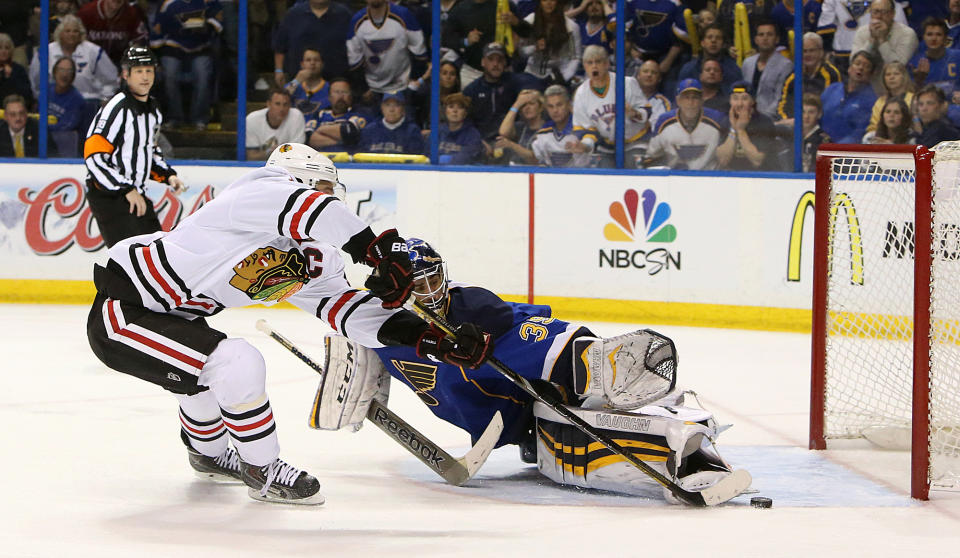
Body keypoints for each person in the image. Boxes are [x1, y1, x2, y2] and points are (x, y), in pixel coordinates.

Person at [84, 143, 494, 505]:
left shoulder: (310, 256)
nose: (334, 199)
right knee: (236, 362)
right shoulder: (257, 191)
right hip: (125, 311)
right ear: (303, 179)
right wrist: (379, 250)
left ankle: (207, 453)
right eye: (327, 188)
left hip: (177, 318)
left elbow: (346, 310)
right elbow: (314, 210)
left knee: (204, 369)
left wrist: (429, 339)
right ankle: (263, 470)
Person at [317, 237, 742, 502]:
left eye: (433, 279)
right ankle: (660, 453)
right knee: (560, 449)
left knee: (578, 401)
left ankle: (669, 434)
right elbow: (350, 371)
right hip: (515, 424)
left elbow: (525, 330)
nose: (430, 292)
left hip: (530, 391)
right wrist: (355, 387)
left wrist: (581, 358)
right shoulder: (378, 327)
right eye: (419, 283)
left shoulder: (470, 306)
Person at [83, 46, 183, 248]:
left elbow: (148, 150)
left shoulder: (153, 109)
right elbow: (93, 156)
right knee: (131, 258)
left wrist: (167, 175)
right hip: (110, 195)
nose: (145, 77)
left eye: (149, 71)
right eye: (138, 71)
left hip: (135, 193)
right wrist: (125, 189)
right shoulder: (116, 107)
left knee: (155, 252)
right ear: (126, 75)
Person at [571, 45, 649, 167]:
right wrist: (584, 145)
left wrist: (635, 113)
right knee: (602, 174)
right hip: (606, 146)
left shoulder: (627, 83)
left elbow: (647, 110)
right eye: (589, 63)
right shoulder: (581, 93)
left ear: (607, 64)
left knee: (633, 169)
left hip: (635, 141)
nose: (594, 66)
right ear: (584, 66)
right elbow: (586, 130)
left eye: (598, 61)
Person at [151, 0, 223, 131]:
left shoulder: (208, 2)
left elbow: (218, 24)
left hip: (201, 48)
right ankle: (174, 118)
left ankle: (200, 119)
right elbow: (157, 31)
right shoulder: (167, 3)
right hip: (173, 47)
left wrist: (205, 25)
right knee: (170, 75)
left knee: (202, 74)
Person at [347, 0, 428, 104]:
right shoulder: (357, 20)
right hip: (372, 90)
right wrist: (364, 88)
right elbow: (354, 59)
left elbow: (419, 51)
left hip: (402, 86)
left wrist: (413, 78)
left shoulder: (404, 15)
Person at [29, 15, 119, 106]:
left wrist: (105, 99)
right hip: (54, 101)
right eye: (67, 31)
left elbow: (111, 80)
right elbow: (35, 80)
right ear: (60, 33)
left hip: (88, 101)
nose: (71, 34)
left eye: (75, 31)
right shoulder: (46, 51)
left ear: (81, 34)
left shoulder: (94, 51)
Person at [644, 78, 726, 170]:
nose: (690, 102)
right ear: (678, 101)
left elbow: (726, 153)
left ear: (702, 100)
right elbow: (652, 156)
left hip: (709, 178)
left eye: (695, 97)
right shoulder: (664, 121)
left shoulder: (717, 119)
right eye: (686, 97)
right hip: (674, 179)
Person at [273, 0, 352, 87]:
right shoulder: (293, 14)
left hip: (336, 80)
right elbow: (280, 46)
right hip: (299, 80)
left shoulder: (345, 14)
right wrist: (279, 70)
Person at [442, 0, 519, 87]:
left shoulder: (506, 5)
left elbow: (527, 32)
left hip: (503, 71)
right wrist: (466, 41)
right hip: (472, 72)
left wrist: (516, 22)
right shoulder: (460, 9)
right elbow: (446, 39)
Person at [513, 0, 582, 88]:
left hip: (558, 75)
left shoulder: (571, 27)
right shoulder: (530, 21)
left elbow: (576, 58)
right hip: (532, 74)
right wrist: (535, 48)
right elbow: (521, 52)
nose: (549, 3)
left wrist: (563, 78)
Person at [463, 42, 524, 141]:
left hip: (510, 141)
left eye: (499, 60)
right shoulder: (472, 90)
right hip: (480, 143)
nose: (495, 64)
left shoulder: (515, 83)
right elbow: (465, 122)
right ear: (483, 62)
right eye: (491, 59)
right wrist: (479, 142)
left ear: (505, 62)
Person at [776, 32, 842, 123]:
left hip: (820, 123)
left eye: (812, 51)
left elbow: (831, 107)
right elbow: (782, 104)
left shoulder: (831, 74)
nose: (807, 55)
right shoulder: (793, 75)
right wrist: (786, 119)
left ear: (821, 52)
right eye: (804, 51)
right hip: (794, 123)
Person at [850, 0, 918, 88]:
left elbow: (898, 66)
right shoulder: (862, 32)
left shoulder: (907, 34)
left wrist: (882, 40)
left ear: (892, 14)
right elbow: (855, 64)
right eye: (875, 12)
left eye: (884, 12)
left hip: (900, 87)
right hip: (868, 87)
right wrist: (871, 40)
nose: (879, 16)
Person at [715, 81, 781, 171]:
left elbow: (757, 161)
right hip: (733, 177)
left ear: (753, 101)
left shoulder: (764, 123)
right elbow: (723, 160)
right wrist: (733, 130)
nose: (739, 104)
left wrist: (741, 131)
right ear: (730, 101)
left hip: (762, 177)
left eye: (744, 98)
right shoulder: (725, 121)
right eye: (735, 99)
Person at [820, 50, 878, 144]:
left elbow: (860, 132)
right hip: (820, 144)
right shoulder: (832, 89)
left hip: (847, 150)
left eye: (866, 66)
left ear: (871, 74)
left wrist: (837, 147)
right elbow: (817, 114)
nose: (860, 68)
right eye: (857, 63)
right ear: (849, 68)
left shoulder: (871, 100)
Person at [741, 19, 793, 119]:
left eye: (769, 34)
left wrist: (762, 118)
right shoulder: (748, 63)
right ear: (756, 39)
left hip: (770, 119)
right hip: (745, 115)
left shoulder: (786, 65)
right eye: (761, 35)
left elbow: (780, 99)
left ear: (777, 39)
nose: (765, 38)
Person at [531, 84, 590, 167]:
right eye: (550, 106)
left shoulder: (582, 129)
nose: (555, 110)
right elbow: (540, 161)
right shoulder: (543, 132)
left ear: (569, 105)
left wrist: (585, 147)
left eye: (559, 105)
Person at [77, 0, 149, 67]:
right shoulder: (87, 12)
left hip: (119, 62)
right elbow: (74, 38)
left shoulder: (130, 13)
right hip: (90, 61)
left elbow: (139, 38)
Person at [306, 78, 370, 153]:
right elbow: (309, 139)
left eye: (345, 92)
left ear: (351, 96)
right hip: (321, 160)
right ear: (329, 97)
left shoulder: (360, 114)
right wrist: (342, 141)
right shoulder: (319, 115)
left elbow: (349, 134)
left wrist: (320, 130)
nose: (341, 96)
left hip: (348, 161)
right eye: (337, 92)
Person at [677, 24, 742, 93]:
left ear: (723, 44)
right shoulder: (689, 69)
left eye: (718, 38)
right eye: (709, 37)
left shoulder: (733, 69)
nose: (713, 40)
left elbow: (739, 94)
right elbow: (679, 96)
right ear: (702, 43)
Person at [246, 88, 306, 161]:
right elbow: (251, 157)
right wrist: (271, 152)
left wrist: (278, 151)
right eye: (277, 104)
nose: (282, 109)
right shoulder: (252, 119)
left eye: (285, 104)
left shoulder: (296, 116)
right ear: (268, 104)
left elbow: (298, 153)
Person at [357, 91, 424, 155]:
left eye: (396, 105)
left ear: (403, 109)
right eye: (387, 105)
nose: (391, 109)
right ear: (382, 107)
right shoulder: (369, 130)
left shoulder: (412, 131)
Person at [908, 18, 960, 99]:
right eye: (929, 34)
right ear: (924, 37)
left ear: (945, 38)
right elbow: (911, 95)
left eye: (938, 34)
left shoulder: (957, 57)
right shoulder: (915, 63)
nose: (934, 38)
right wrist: (919, 80)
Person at [48, 56, 88, 156]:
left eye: (69, 71)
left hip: (64, 144)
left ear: (73, 76)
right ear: (54, 72)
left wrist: (43, 126)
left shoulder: (77, 100)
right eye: (61, 69)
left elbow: (66, 127)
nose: (64, 74)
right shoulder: (47, 90)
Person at [495, 89, 544, 165]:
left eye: (531, 103)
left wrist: (511, 145)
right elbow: (503, 132)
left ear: (540, 107)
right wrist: (517, 104)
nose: (527, 107)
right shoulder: (520, 127)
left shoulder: (548, 129)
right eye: (523, 105)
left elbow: (536, 159)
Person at [284, 48, 330, 123]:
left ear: (322, 64)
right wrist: (296, 81)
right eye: (308, 60)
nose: (312, 63)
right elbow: (280, 100)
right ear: (302, 64)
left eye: (316, 60)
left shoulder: (330, 88)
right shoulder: (292, 86)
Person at [865, 62, 913, 133]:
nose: (891, 77)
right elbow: (874, 126)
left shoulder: (913, 99)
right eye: (888, 74)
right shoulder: (880, 101)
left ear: (904, 77)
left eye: (896, 74)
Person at [438, 93, 484, 164]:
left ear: (465, 113)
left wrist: (450, 160)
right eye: (451, 107)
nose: (455, 111)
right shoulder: (437, 132)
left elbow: (468, 157)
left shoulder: (473, 135)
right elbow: (427, 154)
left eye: (460, 107)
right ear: (445, 111)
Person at [0, 33, 33, 110]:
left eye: (7, 48)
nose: (3, 51)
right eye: (0, 48)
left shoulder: (19, 70)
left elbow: (27, 95)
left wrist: (10, 77)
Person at [800, 93, 830, 173]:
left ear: (819, 114)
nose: (806, 116)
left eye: (811, 112)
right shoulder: (791, 135)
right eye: (803, 112)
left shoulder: (823, 141)